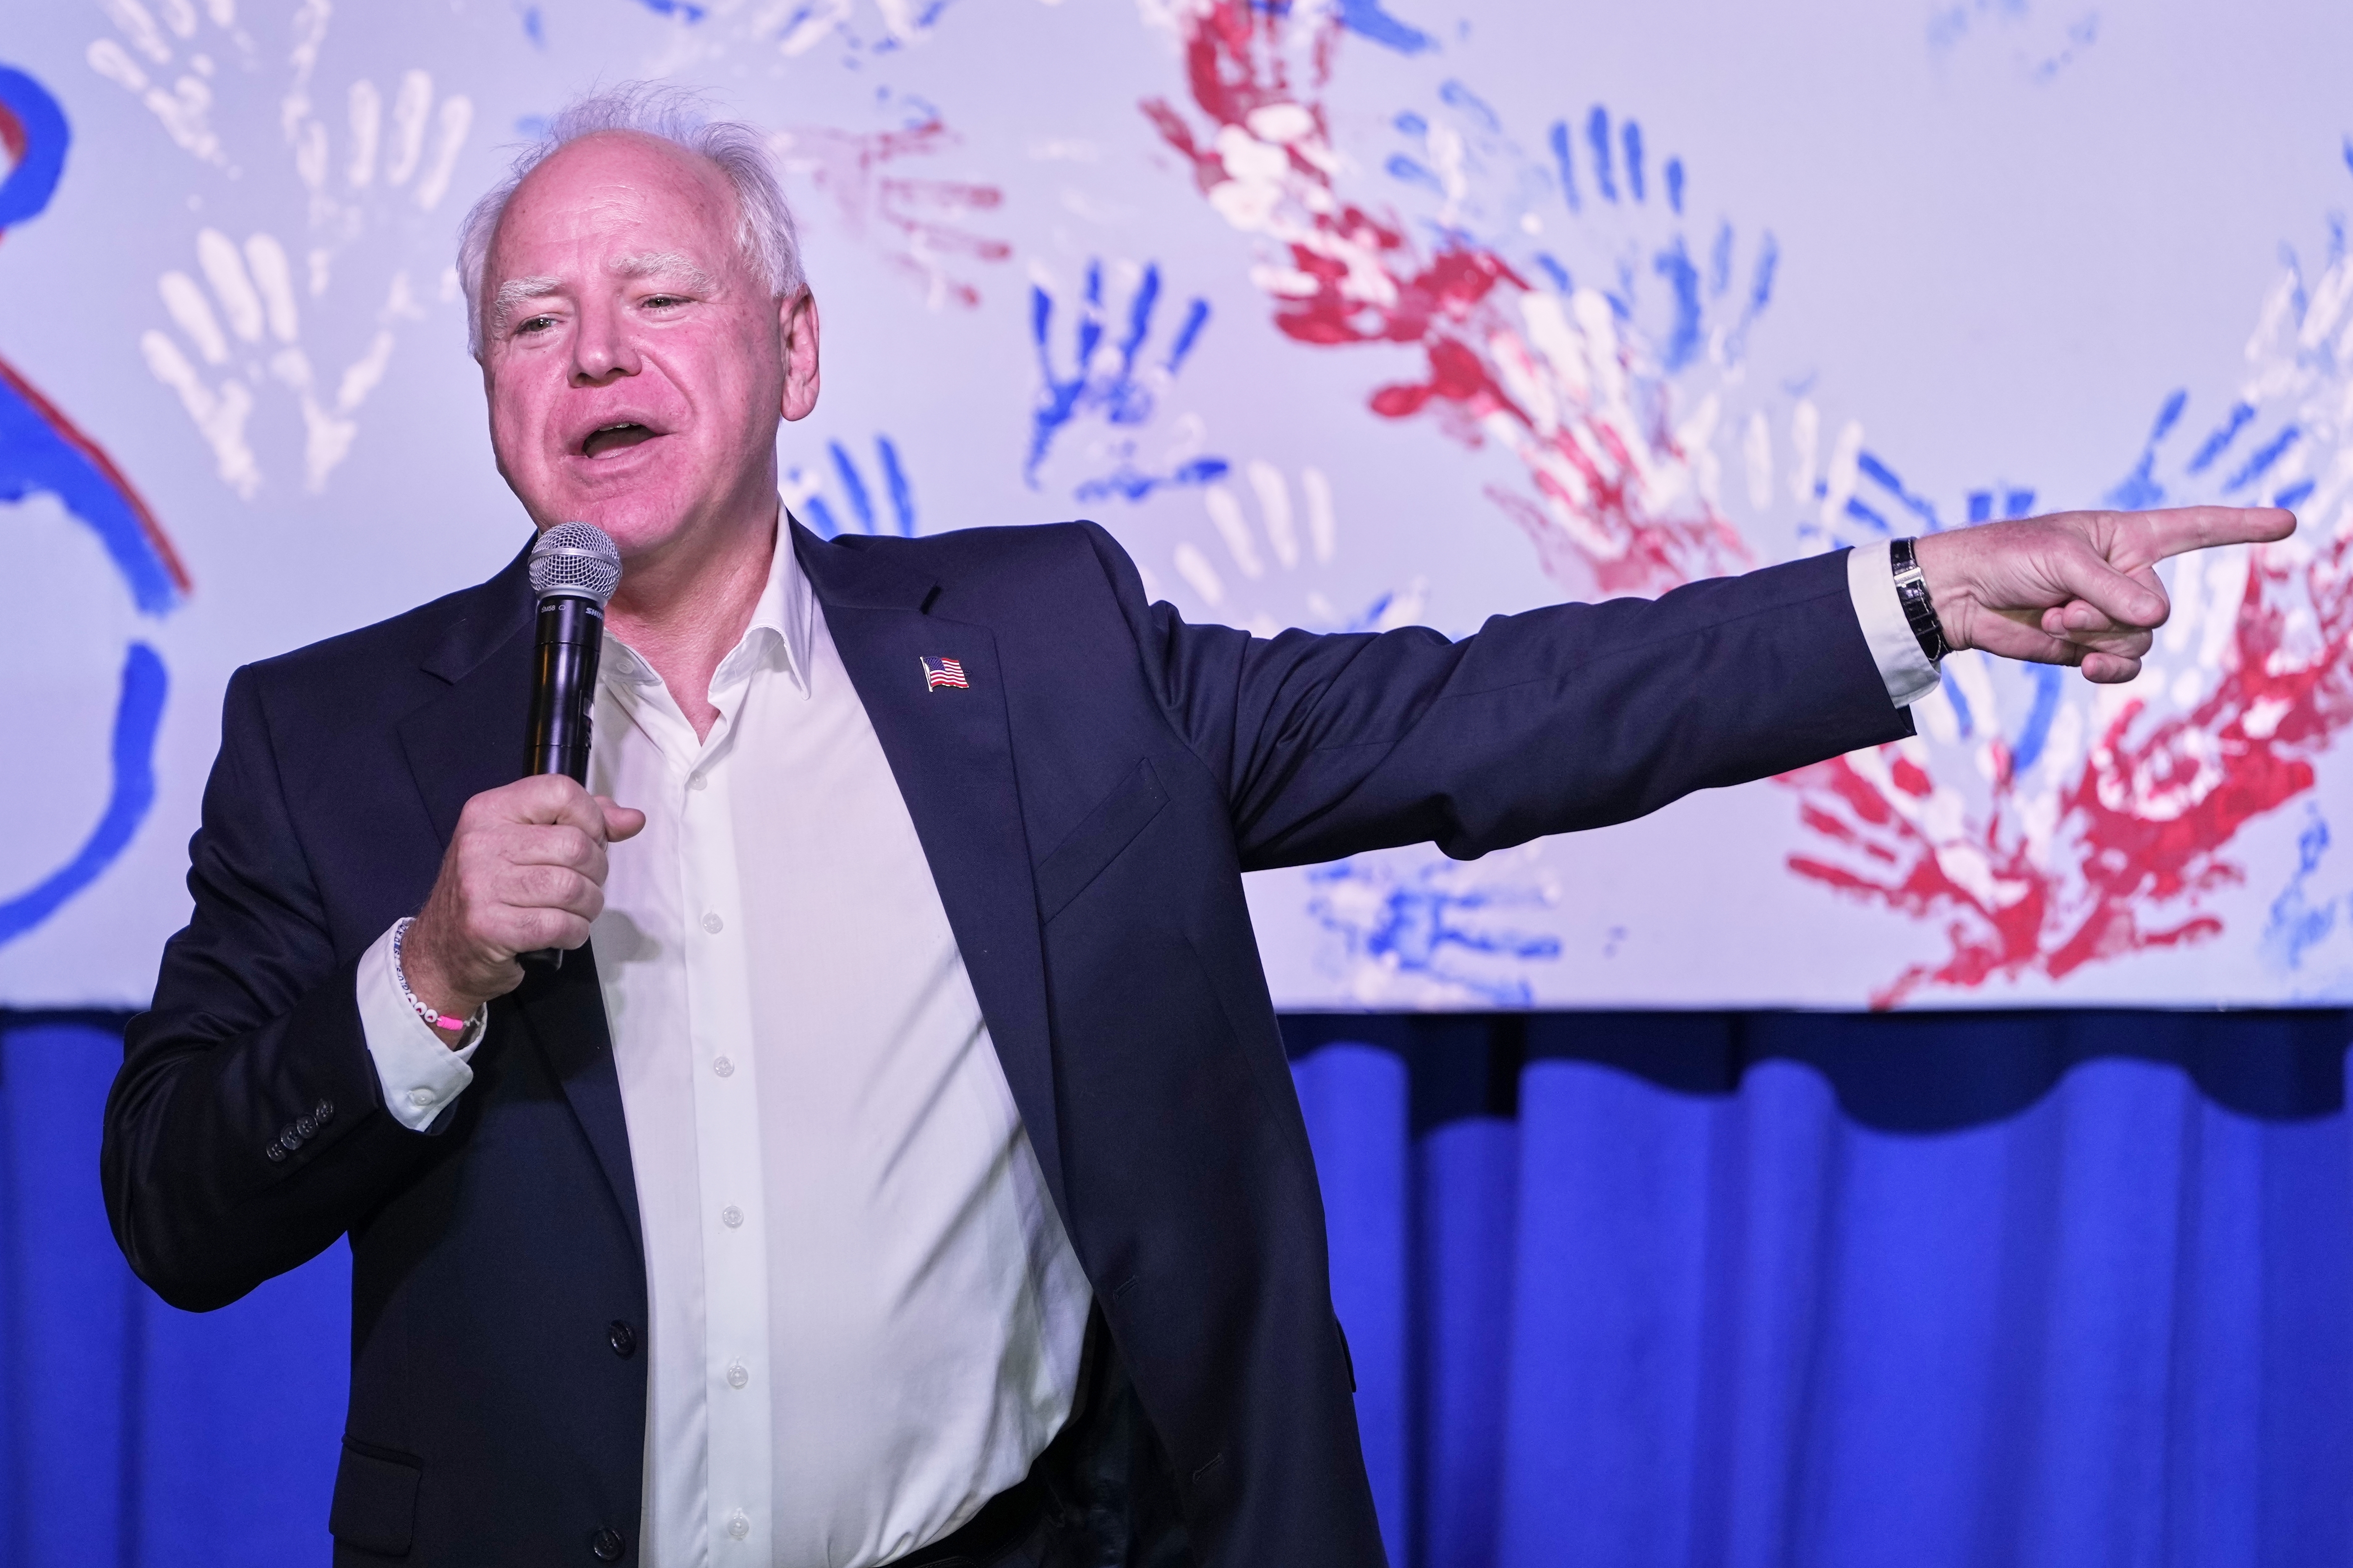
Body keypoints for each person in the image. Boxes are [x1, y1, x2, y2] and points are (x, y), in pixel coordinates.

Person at [101, 85, 2293, 1568]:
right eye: (531, 318)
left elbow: (1490, 714)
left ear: (790, 348)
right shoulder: (328, 744)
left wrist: (1900, 599)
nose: (595, 348)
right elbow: (177, 1212)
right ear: (491, 394)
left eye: (658, 297)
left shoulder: (1043, 652)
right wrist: (430, 975)